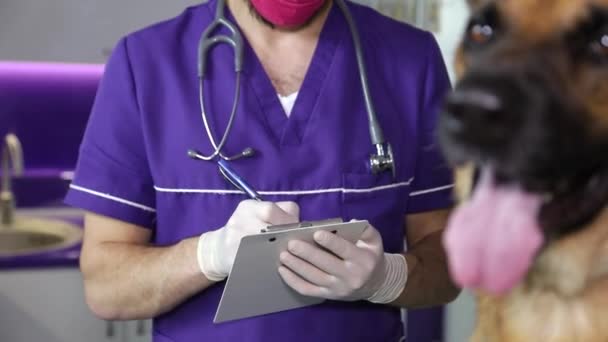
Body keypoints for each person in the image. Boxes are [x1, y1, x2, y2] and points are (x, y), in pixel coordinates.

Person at [64, 0, 460, 341]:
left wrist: (388, 277)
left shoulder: (411, 62)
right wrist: (208, 256)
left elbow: (447, 264)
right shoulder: (147, 64)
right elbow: (105, 286)